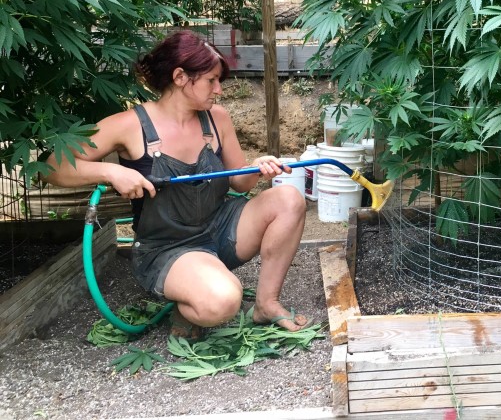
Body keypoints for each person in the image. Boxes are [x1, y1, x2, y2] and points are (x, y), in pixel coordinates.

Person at [44, 30, 309, 337]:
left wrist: (257, 167)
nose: (219, 90)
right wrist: (110, 172)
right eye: (211, 80)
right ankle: (189, 306)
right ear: (181, 77)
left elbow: (238, 183)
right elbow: (53, 168)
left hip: (220, 228)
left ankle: (266, 304)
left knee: (289, 198)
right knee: (223, 302)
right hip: (168, 248)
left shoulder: (216, 119)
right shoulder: (129, 125)